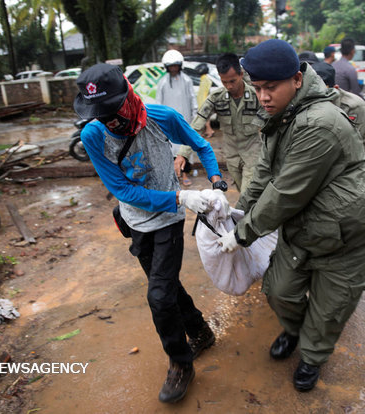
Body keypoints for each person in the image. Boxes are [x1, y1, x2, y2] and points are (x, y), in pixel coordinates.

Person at [217, 39, 365, 392]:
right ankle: (294, 331)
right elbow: (264, 169)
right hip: (306, 228)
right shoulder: (286, 113)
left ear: (295, 79)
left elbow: (287, 192)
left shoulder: (318, 122)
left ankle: (312, 357)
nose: (262, 96)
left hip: (344, 237)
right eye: (257, 88)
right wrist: (241, 209)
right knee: (279, 291)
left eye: (270, 87)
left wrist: (242, 233)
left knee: (328, 310)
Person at [74, 63, 225, 403]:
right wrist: (180, 195)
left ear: (128, 96)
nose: (109, 121)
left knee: (158, 296)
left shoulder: (162, 117)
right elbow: (123, 191)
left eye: (112, 112)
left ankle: (181, 363)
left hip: (168, 221)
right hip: (136, 220)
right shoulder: (93, 136)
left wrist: (214, 180)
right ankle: (200, 331)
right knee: (167, 287)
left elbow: (202, 146)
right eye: (99, 115)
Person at [175, 53, 263, 194]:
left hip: (253, 153)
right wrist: (183, 153)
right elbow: (197, 125)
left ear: (241, 74)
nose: (229, 86)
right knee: (243, 193)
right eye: (224, 82)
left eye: (232, 81)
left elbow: (272, 121)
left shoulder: (256, 96)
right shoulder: (217, 98)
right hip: (231, 156)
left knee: (248, 195)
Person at [308, 60, 365, 196]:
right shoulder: (310, 103)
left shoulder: (353, 107)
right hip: (341, 171)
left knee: (363, 214)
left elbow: (349, 148)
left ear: (335, 88)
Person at [157, 49, 197, 158]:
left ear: (180, 65)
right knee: (170, 144)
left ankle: (185, 171)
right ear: (167, 67)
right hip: (168, 120)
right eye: (171, 66)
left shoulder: (187, 80)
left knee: (185, 144)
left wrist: (194, 116)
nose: (173, 68)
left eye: (175, 65)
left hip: (185, 118)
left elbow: (193, 99)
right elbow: (159, 102)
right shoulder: (163, 82)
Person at [195, 63, 215, 140]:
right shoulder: (205, 79)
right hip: (204, 102)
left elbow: (203, 93)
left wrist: (203, 104)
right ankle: (207, 131)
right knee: (206, 119)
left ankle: (210, 131)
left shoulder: (205, 79)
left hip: (203, 103)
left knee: (205, 119)